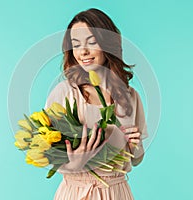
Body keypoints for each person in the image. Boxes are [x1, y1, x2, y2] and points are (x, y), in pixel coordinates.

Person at [44, 8, 148, 200]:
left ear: (108, 44)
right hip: (76, 193)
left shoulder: (130, 96)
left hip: (117, 192)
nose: (83, 52)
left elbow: (137, 159)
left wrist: (136, 146)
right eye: (76, 45)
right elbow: (47, 155)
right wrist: (74, 164)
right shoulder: (64, 93)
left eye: (91, 42)